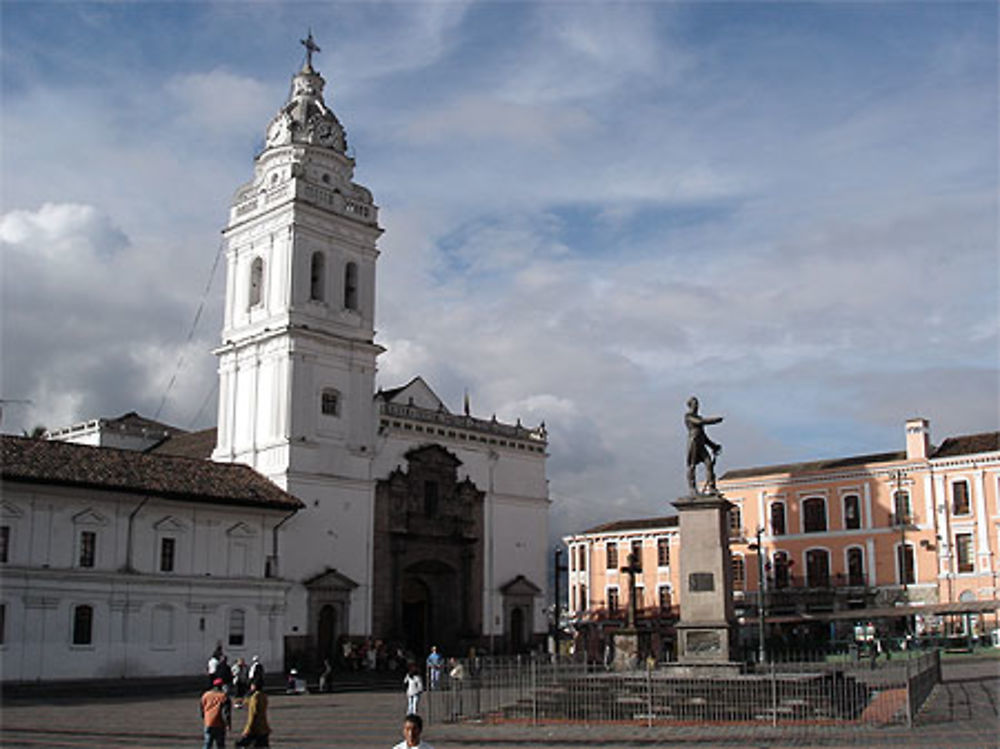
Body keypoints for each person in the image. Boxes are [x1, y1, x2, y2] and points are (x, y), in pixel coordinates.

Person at [685, 396, 723, 495]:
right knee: (692, 466)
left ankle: (712, 487)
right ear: (690, 405)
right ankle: (692, 488)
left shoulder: (699, 417)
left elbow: (704, 436)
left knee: (709, 463)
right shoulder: (688, 416)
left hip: (701, 443)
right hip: (693, 442)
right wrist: (714, 420)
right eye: (694, 403)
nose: (696, 405)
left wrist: (713, 446)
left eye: (697, 403)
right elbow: (699, 423)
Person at [235, 681, 270, 747]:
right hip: (264, 727)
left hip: (256, 728)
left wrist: (247, 729)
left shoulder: (255, 697)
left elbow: (253, 714)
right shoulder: (263, 695)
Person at [199, 677, 231, 749]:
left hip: (208, 722)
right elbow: (226, 712)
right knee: (220, 745)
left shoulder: (206, 695)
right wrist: (228, 724)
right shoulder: (224, 697)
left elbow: (202, 708)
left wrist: (204, 718)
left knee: (207, 743)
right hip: (219, 723)